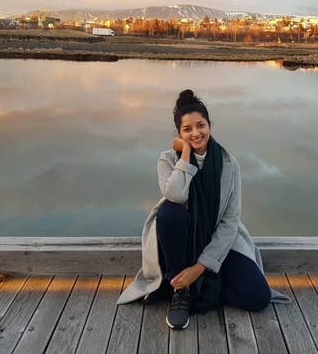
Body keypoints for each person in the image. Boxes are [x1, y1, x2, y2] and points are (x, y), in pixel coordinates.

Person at [116, 89, 290, 329]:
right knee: (168, 212)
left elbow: (230, 222)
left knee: (258, 298)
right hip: (181, 243)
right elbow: (175, 194)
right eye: (187, 129)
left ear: (210, 125)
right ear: (179, 133)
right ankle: (181, 291)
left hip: (219, 245)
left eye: (201, 125)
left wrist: (200, 268)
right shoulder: (167, 159)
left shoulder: (229, 164)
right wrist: (185, 155)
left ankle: (201, 283)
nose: (196, 133)